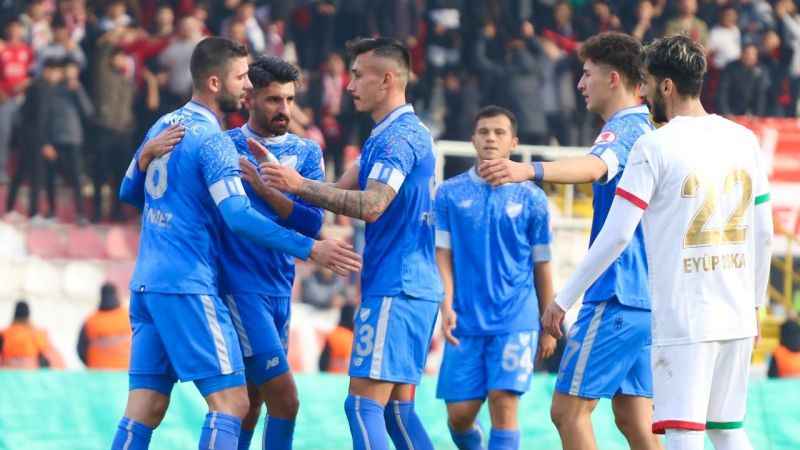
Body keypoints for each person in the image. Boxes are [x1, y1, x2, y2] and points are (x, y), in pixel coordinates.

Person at [113, 37, 361, 450]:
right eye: (242, 78)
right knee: (234, 402)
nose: (247, 86)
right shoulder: (217, 142)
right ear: (215, 82)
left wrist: (141, 160)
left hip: (150, 280)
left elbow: (128, 192)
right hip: (193, 283)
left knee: (146, 406)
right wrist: (312, 249)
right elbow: (238, 216)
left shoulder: (163, 125)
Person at [549, 34, 772, 450]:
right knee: (726, 429)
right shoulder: (744, 139)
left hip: (686, 316)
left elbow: (617, 234)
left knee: (683, 432)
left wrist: (563, 299)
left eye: (648, 83)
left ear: (666, 85)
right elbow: (764, 234)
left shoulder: (654, 145)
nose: (644, 93)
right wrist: (755, 306)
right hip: (737, 314)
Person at [479, 32, 659, 450]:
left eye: (587, 73)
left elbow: (595, 166)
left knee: (567, 411)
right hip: (646, 296)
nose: (580, 84)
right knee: (634, 419)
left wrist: (528, 170)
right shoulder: (648, 128)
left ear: (613, 78)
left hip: (616, 292)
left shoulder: (624, 129)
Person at [262, 37, 443, 450]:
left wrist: (299, 184)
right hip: (411, 286)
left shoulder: (398, 139)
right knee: (397, 412)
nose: (349, 85)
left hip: (397, 287)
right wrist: (277, 186)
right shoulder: (393, 135)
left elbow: (373, 205)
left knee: (362, 406)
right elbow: (329, 194)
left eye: (359, 75)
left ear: (388, 79)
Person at [434, 105, 556, 450]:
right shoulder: (449, 193)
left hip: (515, 318)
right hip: (466, 320)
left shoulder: (532, 198)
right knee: (459, 416)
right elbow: (442, 255)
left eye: (499, 132)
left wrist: (548, 322)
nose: (490, 138)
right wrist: (446, 305)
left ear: (513, 142)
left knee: (503, 404)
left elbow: (542, 264)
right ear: (473, 139)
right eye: (484, 132)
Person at [77, 283, 131, 370]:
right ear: (117, 295)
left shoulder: (91, 321)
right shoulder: (129, 317)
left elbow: (81, 349)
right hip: (124, 372)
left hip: (98, 373)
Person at [0, 300, 64, 369]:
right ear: (28, 316)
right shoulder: (38, 334)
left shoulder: (4, 334)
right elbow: (55, 360)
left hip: (8, 372)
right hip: (30, 372)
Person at [319, 303, 357, 373]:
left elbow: (323, 362)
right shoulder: (353, 337)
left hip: (330, 375)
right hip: (346, 376)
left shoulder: (332, 334)